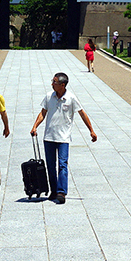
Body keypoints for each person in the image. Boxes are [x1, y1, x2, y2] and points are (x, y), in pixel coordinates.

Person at [30, 72, 97, 204]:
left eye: (54, 82)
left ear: (63, 85)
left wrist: (91, 130)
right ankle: (53, 190)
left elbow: (82, 114)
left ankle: (61, 192)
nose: (52, 84)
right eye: (52, 81)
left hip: (63, 138)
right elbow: (43, 113)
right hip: (49, 136)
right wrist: (35, 126)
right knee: (50, 166)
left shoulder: (71, 98)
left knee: (62, 164)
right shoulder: (49, 96)